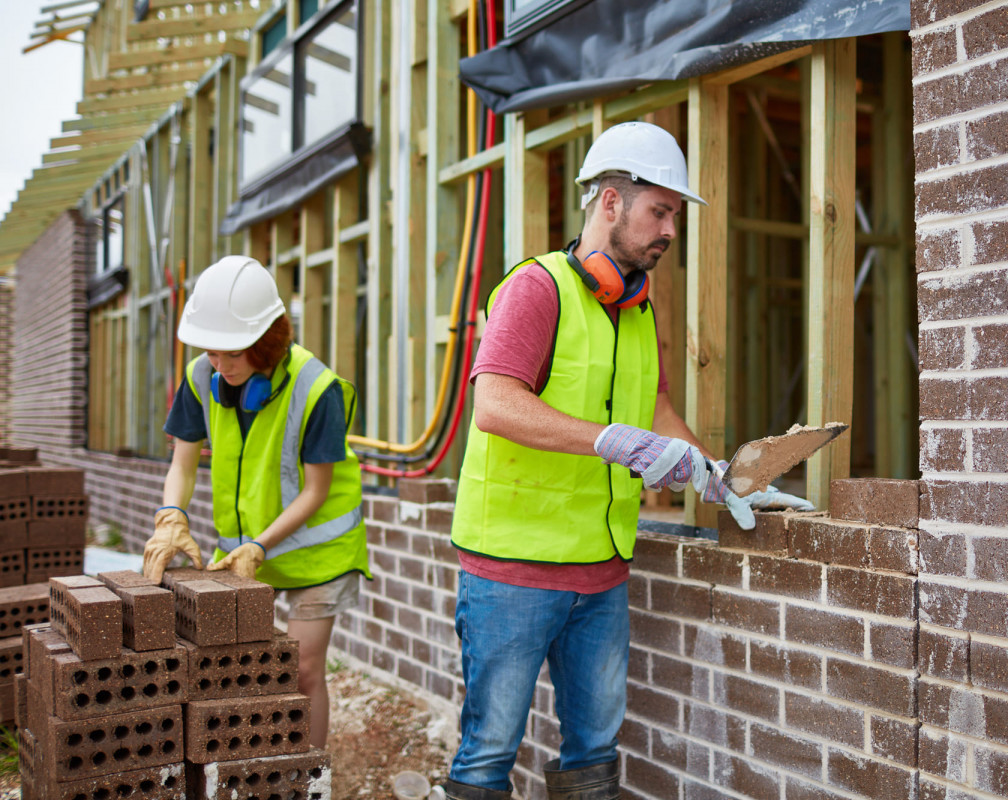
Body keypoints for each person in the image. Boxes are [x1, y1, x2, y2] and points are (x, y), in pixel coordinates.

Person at [441, 122, 807, 800]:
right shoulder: (536, 289)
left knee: (594, 757)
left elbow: (655, 409)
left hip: (601, 575)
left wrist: (718, 476)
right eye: (659, 211)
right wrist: (613, 441)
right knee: (488, 756)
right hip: (511, 573)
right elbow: (493, 403)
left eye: (675, 215)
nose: (671, 228)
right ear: (609, 203)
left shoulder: (637, 308)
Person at [141, 255, 371, 749]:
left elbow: (316, 490)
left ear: (266, 345)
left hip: (319, 555)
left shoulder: (318, 390)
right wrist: (170, 518)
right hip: (247, 557)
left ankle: (308, 774)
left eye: (231, 355)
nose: (218, 366)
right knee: (250, 675)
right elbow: (183, 463)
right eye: (212, 353)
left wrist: (260, 544)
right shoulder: (203, 376)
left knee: (304, 671)